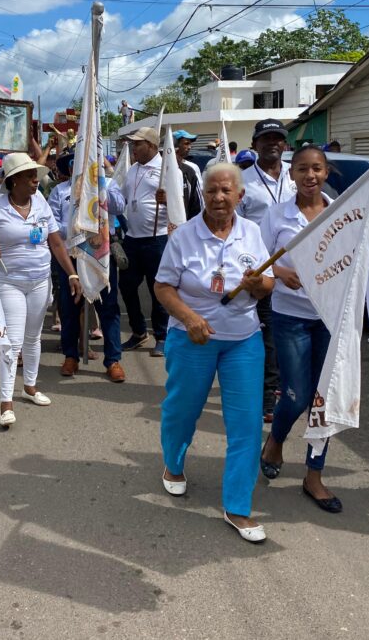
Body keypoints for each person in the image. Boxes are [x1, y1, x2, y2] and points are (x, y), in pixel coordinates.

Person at [154, 162, 274, 542]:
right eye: (212, 191)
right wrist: (189, 318)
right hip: (192, 339)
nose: (219, 198)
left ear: (240, 196)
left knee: (247, 425)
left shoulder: (252, 232)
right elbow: (162, 287)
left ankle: (237, 507)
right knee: (181, 411)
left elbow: (267, 282)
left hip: (243, 340)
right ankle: (173, 465)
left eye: (227, 191)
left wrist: (258, 285)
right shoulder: (184, 236)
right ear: (201, 194)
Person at [258, 145, 342, 513]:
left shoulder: (341, 214)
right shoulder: (276, 216)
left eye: (318, 169)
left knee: (325, 400)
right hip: (289, 316)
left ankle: (314, 475)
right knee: (296, 395)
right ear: (291, 174)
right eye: (303, 169)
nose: (310, 175)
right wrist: (279, 272)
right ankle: (276, 439)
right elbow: (255, 260)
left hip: (330, 316)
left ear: (326, 173)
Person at [0, 153, 83, 427]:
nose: (36, 180)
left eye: (35, 175)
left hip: (40, 280)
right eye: (29, 176)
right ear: (14, 181)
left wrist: (72, 272)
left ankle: (30, 387)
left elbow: (56, 243)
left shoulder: (41, 205)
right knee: (11, 344)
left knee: (33, 338)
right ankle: (6, 403)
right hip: (10, 283)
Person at [49, 151, 127, 383]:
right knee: (70, 306)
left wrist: (98, 188)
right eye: (75, 164)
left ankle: (113, 360)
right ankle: (70, 355)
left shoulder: (108, 184)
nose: (79, 167)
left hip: (100, 253)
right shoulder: (59, 190)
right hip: (71, 254)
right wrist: (76, 226)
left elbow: (120, 207)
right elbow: (52, 223)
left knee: (108, 308)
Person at [238, 119, 296, 422]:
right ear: (255, 144)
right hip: (264, 272)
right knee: (270, 337)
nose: (272, 143)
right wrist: (270, 269)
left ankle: (293, 391)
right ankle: (267, 398)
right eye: (266, 138)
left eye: (278, 138)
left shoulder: (298, 175)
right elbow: (236, 232)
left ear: (285, 144)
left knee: (293, 336)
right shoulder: (243, 181)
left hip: (301, 274)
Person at [119, 126, 170, 357]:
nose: (132, 148)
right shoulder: (132, 170)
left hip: (157, 239)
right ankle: (139, 332)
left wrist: (167, 199)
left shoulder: (167, 169)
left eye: (137, 144)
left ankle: (162, 336)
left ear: (151, 145)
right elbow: (124, 198)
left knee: (157, 289)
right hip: (132, 238)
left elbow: (181, 205)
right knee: (126, 286)